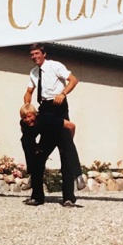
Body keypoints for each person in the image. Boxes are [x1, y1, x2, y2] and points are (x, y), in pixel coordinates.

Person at [21, 43, 85, 190]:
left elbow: (73, 80)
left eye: (37, 53)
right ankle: (33, 174)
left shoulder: (55, 66)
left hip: (58, 105)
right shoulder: (33, 73)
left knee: (66, 144)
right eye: (32, 54)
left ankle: (78, 176)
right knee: (37, 143)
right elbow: (29, 92)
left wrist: (63, 93)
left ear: (44, 54)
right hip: (44, 108)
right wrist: (27, 106)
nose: (34, 57)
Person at [20, 103, 81, 207]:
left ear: (35, 114)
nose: (27, 119)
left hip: (61, 135)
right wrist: (35, 149)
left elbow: (71, 125)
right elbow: (28, 138)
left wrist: (68, 142)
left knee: (66, 162)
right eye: (24, 117)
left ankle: (69, 198)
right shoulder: (24, 124)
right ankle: (37, 196)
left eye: (29, 116)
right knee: (37, 160)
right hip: (48, 137)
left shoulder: (46, 118)